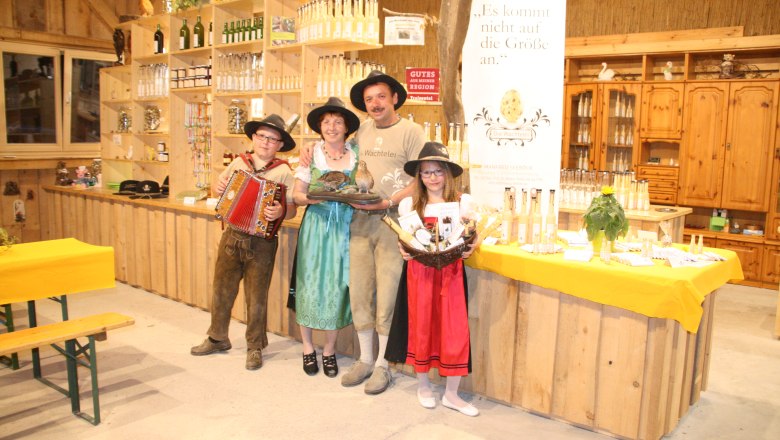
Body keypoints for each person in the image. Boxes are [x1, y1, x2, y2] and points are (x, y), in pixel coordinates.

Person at [299, 70, 425, 394]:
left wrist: (389, 200)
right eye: (369, 99)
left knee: (386, 295)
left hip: (392, 223)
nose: (375, 103)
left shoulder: (412, 131)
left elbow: (419, 180)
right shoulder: (361, 133)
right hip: (358, 221)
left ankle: (383, 365)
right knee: (359, 292)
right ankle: (365, 359)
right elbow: (335, 152)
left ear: (395, 97)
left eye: (381, 96)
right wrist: (310, 149)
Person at [191, 114, 297, 370]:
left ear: (280, 145)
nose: (266, 142)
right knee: (222, 289)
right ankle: (217, 337)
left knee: (257, 296)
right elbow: (220, 191)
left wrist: (280, 212)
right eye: (262, 136)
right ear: (253, 138)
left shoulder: (283, 171)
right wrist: (218, 186)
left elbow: (291, 209)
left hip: (262, 242)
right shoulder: (239, 162)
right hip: (233, 234)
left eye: (273, 139)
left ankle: (255, 346)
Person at [385, 142, 479, 416]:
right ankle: (423, 385)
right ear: (420, 176)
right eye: (427, 173)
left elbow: (475, 233)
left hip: (451, 273)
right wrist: (403, 248)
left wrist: (474, 245)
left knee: (455, 330)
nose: (433, 178)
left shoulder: (463, 202)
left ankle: (452, 394)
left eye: (438, 171)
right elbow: (404, 238)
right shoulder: (409, 204)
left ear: (448, 173)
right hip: (420, 273)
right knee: (422, 326)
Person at [291, 97, 360, 377]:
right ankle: (308, 347)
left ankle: (329, 350)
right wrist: (312, 198)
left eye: (338, 122)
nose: (332, 127)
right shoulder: (311, 154)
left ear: (346, 128)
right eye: (326, 122)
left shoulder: (356, 154)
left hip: (345, 226)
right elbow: (296, 195)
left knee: (336, 285)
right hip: (316, 226)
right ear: (320, 127)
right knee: (308, 283)